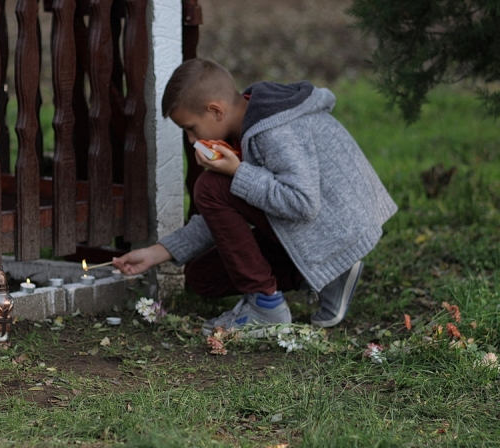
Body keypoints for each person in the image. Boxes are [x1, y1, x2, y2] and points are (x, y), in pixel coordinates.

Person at [112, 58, 397, 335]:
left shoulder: (273, 129)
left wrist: (238, 173)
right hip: (325, 230)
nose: (190, 140)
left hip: (336, 229)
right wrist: (155, 254)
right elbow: (220, 217)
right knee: (203, 277)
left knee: (210, 187)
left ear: (215, 111)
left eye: (190, 128)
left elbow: (303, 203)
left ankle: (266, 306)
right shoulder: (246, 124)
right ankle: (330, 274)